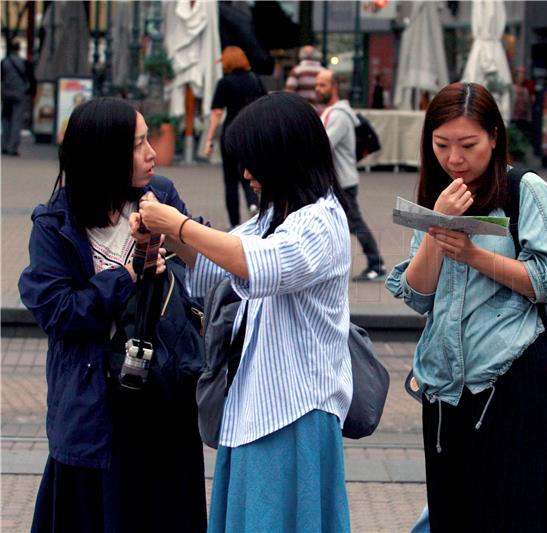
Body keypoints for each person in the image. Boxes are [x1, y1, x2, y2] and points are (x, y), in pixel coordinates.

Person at [138, 92, 352, 533]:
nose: (247, 174)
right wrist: (167, 237)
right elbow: (213, 270)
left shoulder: (322, 221)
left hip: (296, 410)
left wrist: (176, 224)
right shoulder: (272, 217)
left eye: (254, 161)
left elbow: (259, 264)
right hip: (255, 405)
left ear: (285, 157)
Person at [386, 82, 547, 532]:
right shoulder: (440, 193)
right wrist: (436, 225)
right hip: (446, 387)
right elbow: (417, 294)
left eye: (468, 145)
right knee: (453, 515)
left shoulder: (525, 190)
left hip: (509, 381)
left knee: (511, 515)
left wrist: (474, 255)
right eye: (441, 145)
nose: (455, 158)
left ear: (493, 136)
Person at [19, 98, 207, 533]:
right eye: (138, 144)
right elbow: (59, 313)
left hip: (163, 400)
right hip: (95, 413)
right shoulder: (56, 224)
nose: (151, 154)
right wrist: (126, 275)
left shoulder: (159, 198)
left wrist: (171, 238)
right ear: (105, 153)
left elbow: (200, 270)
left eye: (147, 140)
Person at [316, 69, 386, 281]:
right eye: (317, 85)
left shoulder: (338, 115)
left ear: (334, 87)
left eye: (323, 85)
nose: (318, 89)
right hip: (335, 181)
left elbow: (323, 145)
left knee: (354, 224)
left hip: (342, 182)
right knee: (334, 225)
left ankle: (377, 264)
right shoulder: (332, 112)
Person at [205, 46, 265, 227]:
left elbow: (216, 112)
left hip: (231, 134)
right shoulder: (255, 80)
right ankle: (254, 204)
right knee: (250, 173)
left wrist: (209, 140)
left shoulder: (225, 83)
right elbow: (264, 106)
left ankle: (234, 224)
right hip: (252, 133)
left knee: (230, 180)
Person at [2, 40, 34, 156]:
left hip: (6, 93)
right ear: (19, 49)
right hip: (20, 94)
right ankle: (12, 147)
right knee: (16, 120)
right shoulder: (24, 63)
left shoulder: (4, 62)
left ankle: (4, 145)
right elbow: (31, 79)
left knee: (5, 119)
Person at [285, 45, 324, 113]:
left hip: (302, 112)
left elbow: (289, 94)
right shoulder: (324, 72)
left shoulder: (296, 71)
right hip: (320, 113)